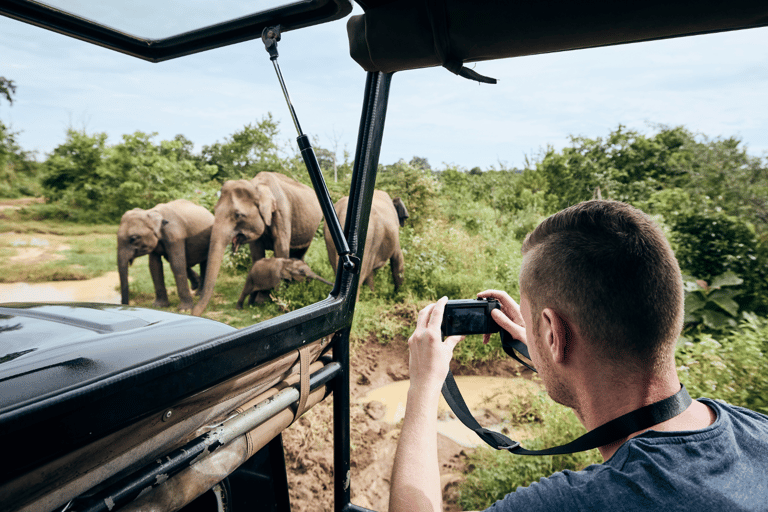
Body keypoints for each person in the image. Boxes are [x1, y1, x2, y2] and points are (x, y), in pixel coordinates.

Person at [389, 200, 768, 512]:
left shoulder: (577, 502)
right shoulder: (756, 430)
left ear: (554, 333)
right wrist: (544, 348)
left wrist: (424, 385)